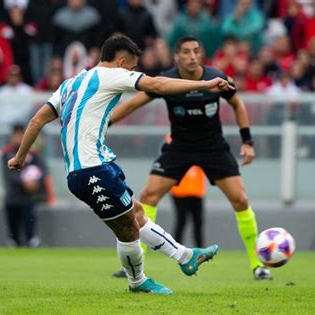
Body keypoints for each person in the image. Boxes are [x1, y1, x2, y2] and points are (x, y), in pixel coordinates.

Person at [7, 35, 231, 294]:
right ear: (122, 62)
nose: (133, 72)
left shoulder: (71, 84)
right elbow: (156, 84)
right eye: (133, 67)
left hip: (96, 166)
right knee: (127, 229)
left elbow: (37, 120)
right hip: (91, 171)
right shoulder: (110, 75)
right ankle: (138, 282)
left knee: (136, 213)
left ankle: (186, 257)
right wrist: (204, 84)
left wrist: (20, 157)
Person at [110, 36, 272, 280]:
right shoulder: (166, 80)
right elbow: (133, 104)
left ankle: (258, 265)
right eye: (186, 52)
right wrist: (105, 122)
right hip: (180, 147)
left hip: (213, 147)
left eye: (197, 51)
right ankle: (134, 264)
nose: (193, 56)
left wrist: (247, 142)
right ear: (177, 57)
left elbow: (237, 104)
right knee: (148, 196)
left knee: (240, 199)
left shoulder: (216, 77)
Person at [2, 125, 54, 248]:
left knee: (29, 222)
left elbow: (42, 171)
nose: (19, 139)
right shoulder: (7, 153)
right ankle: (14, 243)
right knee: (13, 225)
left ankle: (31, 241)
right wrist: (24, 182)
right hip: (12, 196)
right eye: (17, 135)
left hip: (28, 197)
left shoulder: (32, 154)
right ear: (12, 137)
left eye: (21, 135)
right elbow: (8, 174)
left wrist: (36, 182)